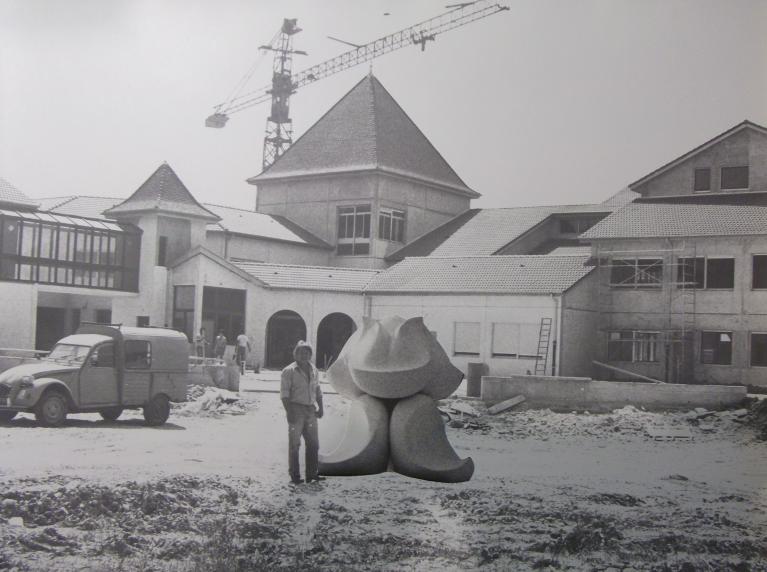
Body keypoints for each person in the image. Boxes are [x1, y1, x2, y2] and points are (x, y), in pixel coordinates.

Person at [280, 341, 324, 485]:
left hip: (311, 410)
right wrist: (289, 412)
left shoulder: (314, 370)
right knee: (294, 444)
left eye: (306, 353)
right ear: (295, 354)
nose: (304, 355)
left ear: (310, 355)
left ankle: (312, 474)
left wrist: (321, 407)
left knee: (313, 444)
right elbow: (284, 394)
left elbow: (317, 390)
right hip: (296, 409)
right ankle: (295, 476)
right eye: (300, 353)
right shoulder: (289, 371)